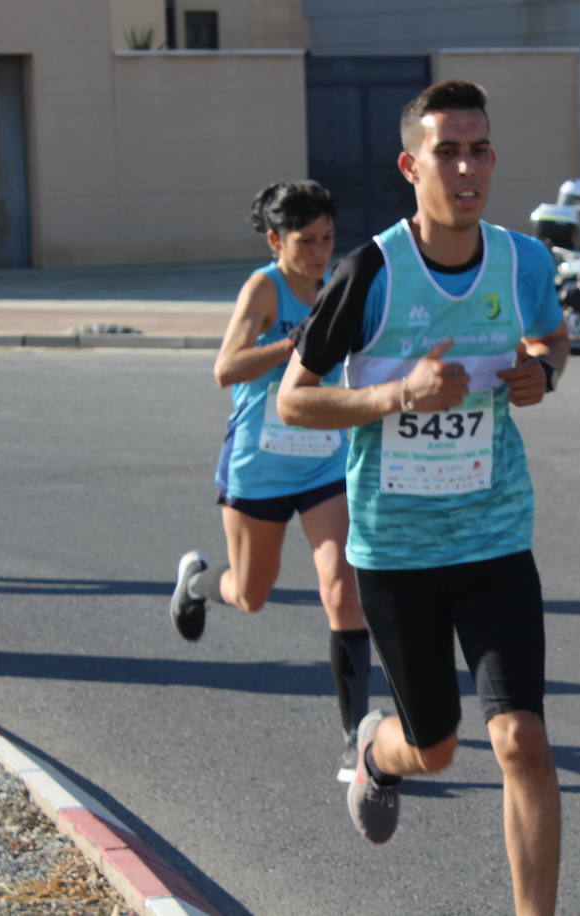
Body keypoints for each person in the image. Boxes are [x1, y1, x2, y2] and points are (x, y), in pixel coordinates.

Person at [276, 80, 567, 915]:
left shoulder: (523, 261)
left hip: (495, 537)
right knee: (434, 748)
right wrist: (397, 394)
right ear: (411, 165)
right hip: (396, 551)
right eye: (448, 151)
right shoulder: (370, 271)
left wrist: (540, 371)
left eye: (479, 149)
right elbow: (296, 400)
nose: (467, 167)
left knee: (521, 739)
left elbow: (550, 335)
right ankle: (378, 753)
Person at [169, 180, 373, 783]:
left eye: (328, 238)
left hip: (324, 460)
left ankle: (352, 738)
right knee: (252, 593)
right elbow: (224, 369)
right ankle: (198, 582)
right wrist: (291, 343)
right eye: (305, 241)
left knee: (340, 585)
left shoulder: (341, 282)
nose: (319, 251)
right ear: (275, 240)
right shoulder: (264, 288)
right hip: (259, 462)